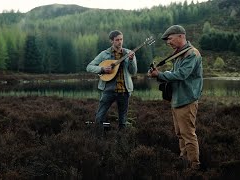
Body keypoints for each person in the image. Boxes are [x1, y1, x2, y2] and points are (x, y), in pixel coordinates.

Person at [148, 25, 203, 170]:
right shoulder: (179, 54)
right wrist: (159, 73)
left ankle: (194, 167)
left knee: (188, 135)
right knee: (180, 134)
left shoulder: (192, 54)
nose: (168, 42)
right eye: (167, 40)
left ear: (181, 36)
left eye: (170, 39)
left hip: (187, 100)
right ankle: (184, 161)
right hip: (177, 99)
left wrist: (159, 75)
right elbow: (174, 73)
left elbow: (181, 75)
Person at [86, 30, 137, 135]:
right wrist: (102, 69)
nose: (120, 42)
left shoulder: (129, 53)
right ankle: (97, 140)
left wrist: (131, 60)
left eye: (121, 39)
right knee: (99, 117)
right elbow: (89, 67)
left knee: (123, 121)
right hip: (108, 90)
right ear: (111, 41)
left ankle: (121, 142)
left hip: (124, 90)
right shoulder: (104, 54)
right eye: (117, 40)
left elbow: (133, 72)